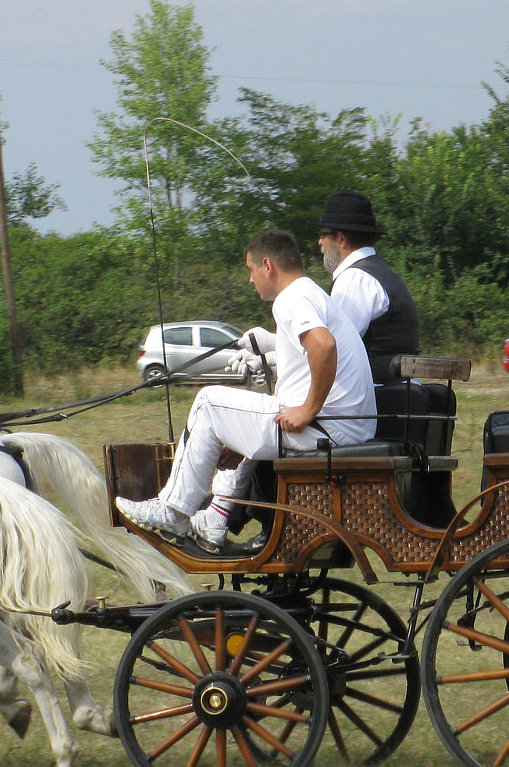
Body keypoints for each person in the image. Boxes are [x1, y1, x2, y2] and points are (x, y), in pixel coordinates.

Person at [115, 229, 374, 548]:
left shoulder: (291, 298)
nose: (251, 280)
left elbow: (324, 346)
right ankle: (215, 518)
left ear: (268, 266)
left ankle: (172, 510)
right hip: (346, 426)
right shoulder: (310, 292)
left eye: (251, 271)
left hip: (330, 428)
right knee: (239, 416)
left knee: (208, 402)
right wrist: (242, 435)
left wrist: (309, 409)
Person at [313, 190, 420, 384]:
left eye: (323, 234)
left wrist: (272, 352)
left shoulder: (355, 279)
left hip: (375, 399)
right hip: (399, 393)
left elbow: (331, 348)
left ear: (341, 239)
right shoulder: (381, 272)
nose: (319, 241)